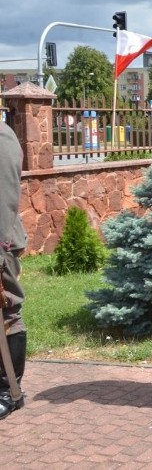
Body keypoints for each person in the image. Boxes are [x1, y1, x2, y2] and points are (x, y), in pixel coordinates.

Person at [0, 120, 27, 421]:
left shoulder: (1, 138)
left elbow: (4, 199)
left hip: (1, 242)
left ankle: (10, 390)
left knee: (6, 311)